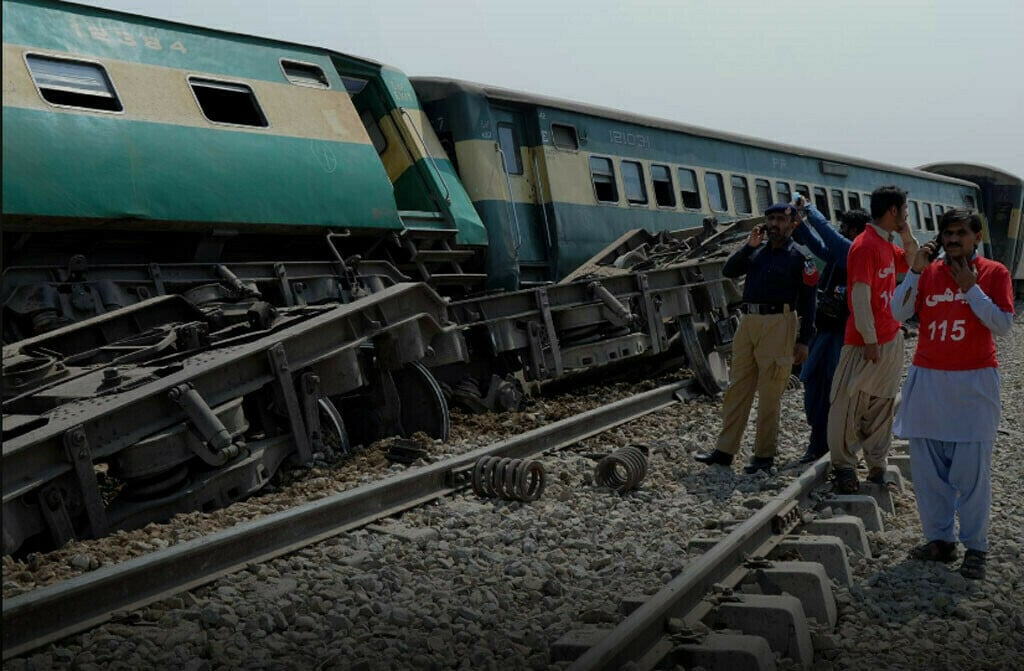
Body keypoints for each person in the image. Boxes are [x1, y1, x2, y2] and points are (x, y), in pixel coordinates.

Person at [892, 208, 1014, 580]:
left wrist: (970, 289)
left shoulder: (995, 273)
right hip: (929, 381)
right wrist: (914, 269)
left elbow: (1003, 325)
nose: (953, 239)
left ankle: (976, 546)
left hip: (973, 384)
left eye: (961, 233)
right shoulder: (928, 273)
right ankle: (940, 540)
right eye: (947, 233)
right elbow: (898, 312)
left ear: (977, 236)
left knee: (971, 472)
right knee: (928, 471)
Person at [695, 203, 817, 474]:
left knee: (770, 393)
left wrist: (804, 340)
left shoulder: (800, 258)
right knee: (737, 388)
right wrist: (749, 246)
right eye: (770, 219)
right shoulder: (757, 252)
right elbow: (729, 270)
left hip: (779, 323)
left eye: (781, 220)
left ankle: (764, 455)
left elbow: (810, 303)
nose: (774, 224)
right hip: (748, 322)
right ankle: (724, 451)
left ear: (792, 224)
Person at [827, 185, 918, 493]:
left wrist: (906, 235)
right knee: (849, 403)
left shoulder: (886, 245)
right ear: (893, 210)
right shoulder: (865, 246)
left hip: (890, 337)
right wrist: (869, 338)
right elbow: (860, 295)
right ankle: (844, 467)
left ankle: (877, 466)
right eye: (904, 210)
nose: (906, 215)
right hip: (866, 341)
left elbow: (916, 263)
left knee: (882, 404)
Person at [791, 201, 871, 463]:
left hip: (844, 334)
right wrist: (800, 226)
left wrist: (811, 212)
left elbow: (830, 242)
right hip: (825, 330)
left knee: (835, 389)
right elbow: (819, 248)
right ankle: (819, 439)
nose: (841, 232)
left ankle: (829, 443)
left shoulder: (857, 252)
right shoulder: (841, 254)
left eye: (846, 228)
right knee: (814, 383)